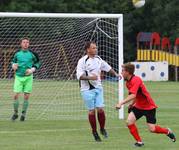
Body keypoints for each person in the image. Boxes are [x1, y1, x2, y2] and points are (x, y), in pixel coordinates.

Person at [116, 63, 176, 147]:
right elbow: (135, 95)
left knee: (152, 129)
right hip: (138, 106)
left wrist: (121, 103)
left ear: (128, 72)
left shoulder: (136, 79)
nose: (121, 72)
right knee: (129, 122)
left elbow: (133, 95)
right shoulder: (128, 83)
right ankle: (139, 142)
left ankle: (167, 131)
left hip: (149, 107)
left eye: (123, 71)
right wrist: (131, 104)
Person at [76, 41, 119, 142]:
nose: (96, 49)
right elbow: (80, 76)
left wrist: (116, 74)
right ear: (88, 50)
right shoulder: (82, 61)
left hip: (98, 88)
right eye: (93, 48)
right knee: (91, 111)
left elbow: (107, 67)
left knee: (100, 109)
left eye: (96, 47)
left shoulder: (98, 59)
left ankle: (102, 128)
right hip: (87, 90)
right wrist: (91, 77)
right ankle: (94, 132)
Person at [11, 37, 41, 121]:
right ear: (21, 44)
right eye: (24, 42)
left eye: (27, 42)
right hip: (18, 77)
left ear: (29, 44)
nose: (25, 44)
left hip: (28, 78)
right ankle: (15, 113)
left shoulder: (32, 54)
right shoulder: (17, 53)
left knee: (26, 96)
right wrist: (13, 65)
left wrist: (32, 69)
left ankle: (23, 114)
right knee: (16, 95)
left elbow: (38, 62)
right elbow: (13, 61)